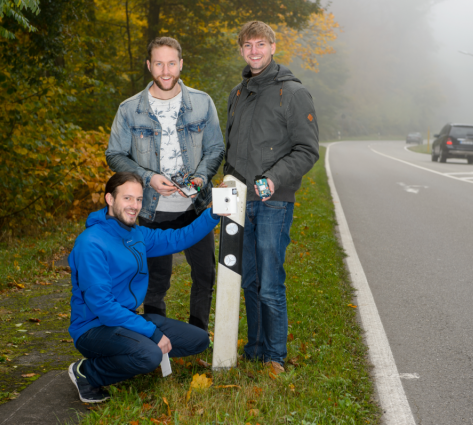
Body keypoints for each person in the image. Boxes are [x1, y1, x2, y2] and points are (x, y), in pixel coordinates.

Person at [67, 172, 221, 403]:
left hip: (124, 320)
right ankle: (87, 373)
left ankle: (131, 355)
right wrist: (152, 333)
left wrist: (213, 213)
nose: (135, 206)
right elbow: (103, 306)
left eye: (139, 199)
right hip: (93, 328)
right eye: (127, 198)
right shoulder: (91, 243)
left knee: (198, 339)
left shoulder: (137, 234)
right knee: (150, 354)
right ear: (110, 199)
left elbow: (178, 238)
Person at [106, 37, 224, 331]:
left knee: (205, 274)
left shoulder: (202, 102)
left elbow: (215, 149)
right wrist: (149, 178)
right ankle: (158, 341)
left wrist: (201, 177)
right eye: (159, 63)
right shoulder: (130, 109)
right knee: (155, 281)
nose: (166, 70)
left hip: (195, 206)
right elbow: (114, 154)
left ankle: (197, 335)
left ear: (181, 64)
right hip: (151, 209)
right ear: (149, 65)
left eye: (171, 63)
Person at [224, 21, 320, 372]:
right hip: (240, 203)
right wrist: (226, 184)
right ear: (241, 50)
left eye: (260, 44)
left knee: (269, 283)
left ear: (273, 47)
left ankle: (275, 357)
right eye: (248, 45)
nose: (254, 51)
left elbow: (307, 149)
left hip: (273, 202)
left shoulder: (292, 93)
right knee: (249, 280)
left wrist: (273, 179)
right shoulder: (237, 94)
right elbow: (233, 149)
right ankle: (255, 349)